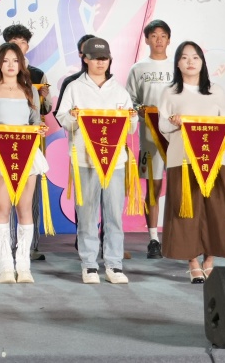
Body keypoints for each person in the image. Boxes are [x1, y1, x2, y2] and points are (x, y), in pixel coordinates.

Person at [55, 36, 136, 284]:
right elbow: (63, 119)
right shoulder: (74, 87)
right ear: (85, 59)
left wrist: (131, 117)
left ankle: (114, 264)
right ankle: (89, 264)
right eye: (95, 58)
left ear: (110, 60)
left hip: (115, 161)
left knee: (114, 215)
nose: (100, 63)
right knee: (87, 214)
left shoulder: (119, 90)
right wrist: (73, 116)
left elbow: (131, 127)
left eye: (104, 58)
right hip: (84, 159)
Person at [158, 42, 225, 283]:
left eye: (195, 57)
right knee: (187, 210)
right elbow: (162, 126)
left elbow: (223, 122)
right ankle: (192, 261)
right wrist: (174, 121)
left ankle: (209, 260)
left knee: (215, 210)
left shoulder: (216, 91)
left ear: (202, 62)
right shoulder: (170, 92)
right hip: (182, 160)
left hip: (214, 160)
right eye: (184, 57)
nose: (190, 62)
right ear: (177, 63)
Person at [0, 42, 48, 283]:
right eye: (6, 60)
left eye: (15, 60)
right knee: (2, 208)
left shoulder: (29, 90)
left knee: (25, 208)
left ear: (21, 64)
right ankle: (6, 265)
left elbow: (36, 120)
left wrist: (40, 128)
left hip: (26, 152)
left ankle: (24, 265)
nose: (10, 65)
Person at [125, 19, 174, 259]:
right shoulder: (138, 68)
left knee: (180, 185)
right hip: (149, 137)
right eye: (154, 36)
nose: (158, 40)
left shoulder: (178, 66)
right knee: (154, 187)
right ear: (146, 39)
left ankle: (178, 236)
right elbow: (129, 102)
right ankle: (153, 239)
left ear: (169, 39)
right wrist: (140, 110)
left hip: (176, 135)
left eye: (163, 35)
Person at [1, 23, 49, 264]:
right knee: (5, 194)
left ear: (27, 47)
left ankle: (30, 246)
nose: (18, 47)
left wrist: (45, 98)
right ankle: (7, 246)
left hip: (31, 141)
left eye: (22, 43)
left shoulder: (38, 75)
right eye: (14, 43)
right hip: (4, 142)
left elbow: (46, 110)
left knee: (30, 195)